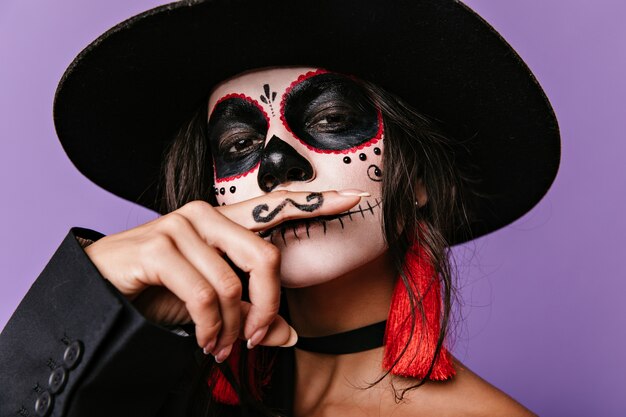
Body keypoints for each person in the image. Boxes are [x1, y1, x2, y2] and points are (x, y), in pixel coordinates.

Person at [0, 1, 560, 416]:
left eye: (331, 121)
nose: (276, 168)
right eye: (239, 146)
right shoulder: (147, 395)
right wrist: (84, 306)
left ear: (418, 183)